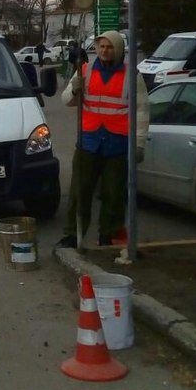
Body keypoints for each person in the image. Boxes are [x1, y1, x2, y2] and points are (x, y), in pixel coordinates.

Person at [56, 30, 148, 249]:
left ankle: (109, 235)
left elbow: (142, 111)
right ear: (96, 49)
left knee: (114, 195)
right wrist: (74, 90)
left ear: (118, 50)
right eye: (102, 47)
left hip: (117, 144)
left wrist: (139, 143)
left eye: (110, 47)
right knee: (80, 192)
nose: (105, 51)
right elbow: (66, 100)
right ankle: (73, 234)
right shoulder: (84, 71)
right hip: (89, 141)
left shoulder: (131, 76)